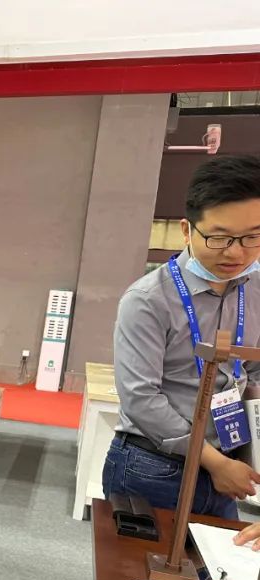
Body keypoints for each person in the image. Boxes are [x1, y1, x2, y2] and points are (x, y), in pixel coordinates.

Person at [103, 155, 260, 520]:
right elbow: (141, 398)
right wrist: (216, 463)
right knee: (144, 559)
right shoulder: (148, 300)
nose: (236, 252)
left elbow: (252, 371)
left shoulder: (254, 289)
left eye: (252, 237)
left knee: (220, 559)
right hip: (155, 466)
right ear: (187, 230)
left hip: (228, 465)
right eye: (219, 237)